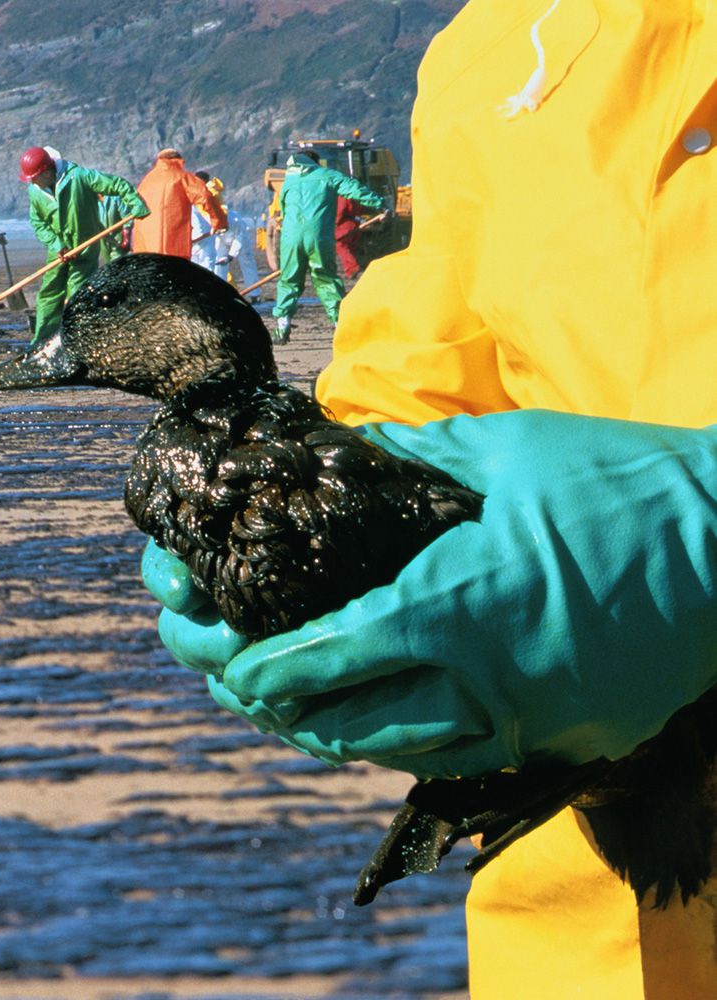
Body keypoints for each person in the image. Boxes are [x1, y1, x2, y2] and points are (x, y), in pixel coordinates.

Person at [142, 2, 717, 995]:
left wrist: (700, 511)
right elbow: (429, 341)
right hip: (578, 909)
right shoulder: (497, 43)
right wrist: (329, 500)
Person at [20, 145, 147, 344]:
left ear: (46, 172)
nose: (32, 182)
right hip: (58, 251)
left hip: (85, 246)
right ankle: (41, 340)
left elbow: (116, 184)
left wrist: (134, 201)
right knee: (49, 293)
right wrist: (57, 245)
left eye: (34, 177)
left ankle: (72, 337)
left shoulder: (79, 177)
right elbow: (38, 223)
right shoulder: (35, 191)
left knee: (77, 293)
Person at [270, 150, 385, 344]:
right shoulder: (327, 176)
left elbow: (283, 208)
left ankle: (282, 327)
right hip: (318, 236)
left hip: (290, 238)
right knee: (326, 279)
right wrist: (380, 204)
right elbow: (354, 189)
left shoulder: (288, 182)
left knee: (289, 280)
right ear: (316, 163)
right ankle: (340, 325)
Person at [129, 148, 222, 259]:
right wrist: (219, 221)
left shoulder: (146, 181)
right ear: (178, 159)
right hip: (172, 244)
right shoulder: (182, 177)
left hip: (145, 245)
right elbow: (205, 196)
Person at [333, 195, 368, 280]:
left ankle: (352, 268)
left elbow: (340, 211)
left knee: (340, 245)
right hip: (355, 223)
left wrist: (335, 222)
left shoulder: (343, 196)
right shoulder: (355, 196)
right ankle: (359, 267)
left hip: (345, 224)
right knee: (351, 246)